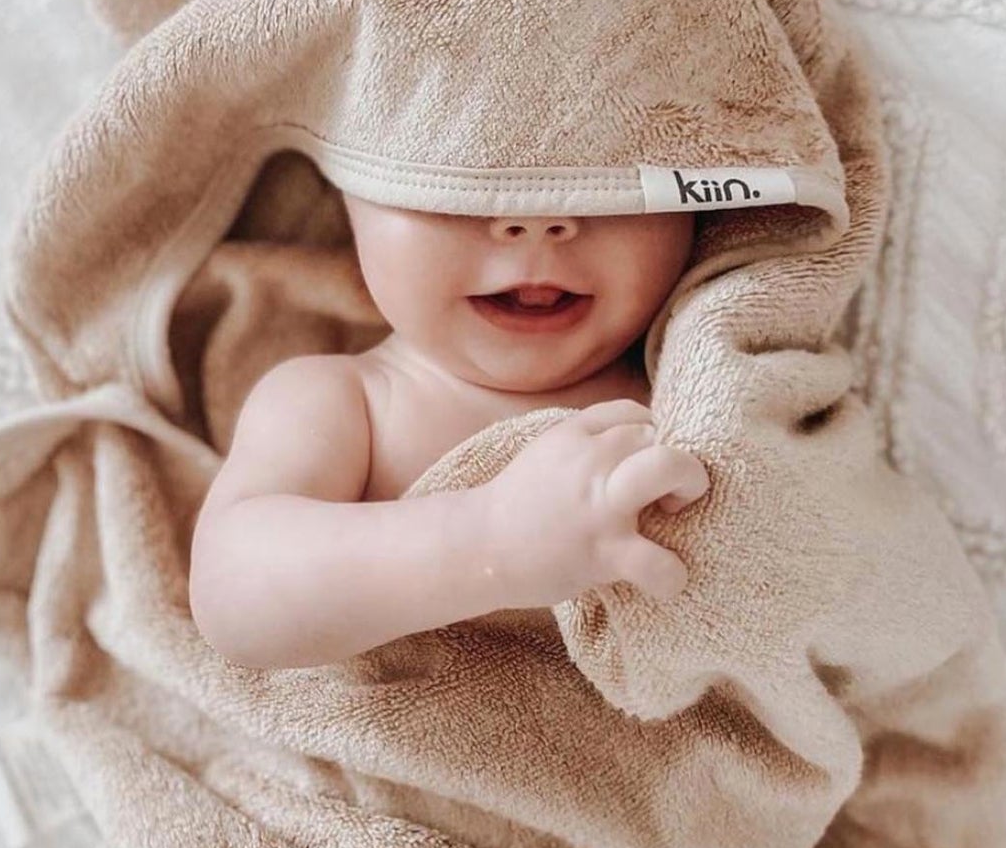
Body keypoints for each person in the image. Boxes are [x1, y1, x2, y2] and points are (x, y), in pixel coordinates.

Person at [188, 195, 711, 669]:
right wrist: (489, 539)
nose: (535, 219)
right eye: (467, 179)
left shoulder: (699, 382)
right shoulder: (345, 400)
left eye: (598, 173)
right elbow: (231, 589)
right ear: (351, 202)